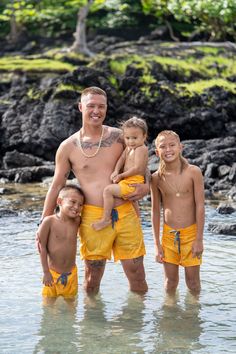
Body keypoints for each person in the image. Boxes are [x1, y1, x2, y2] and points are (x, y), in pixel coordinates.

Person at [38, 86, 149, 294]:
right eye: (91, 106)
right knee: (91, 280)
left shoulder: (120, 137)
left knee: (138, 276)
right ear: (81, 107)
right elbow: (56, 184)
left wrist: (146, 186)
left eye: (101, 106)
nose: (96, 111)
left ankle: (137, 325)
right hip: (93, 218)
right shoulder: (68, 146)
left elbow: (142, 163)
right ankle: (92, 326)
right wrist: (44, 220)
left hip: (126, 213)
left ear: (106, 108)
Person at [150, 130, 205, 295]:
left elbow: (200, 206)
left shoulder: (193, 172)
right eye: (163, 147)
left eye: (172, 145)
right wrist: (157, 244)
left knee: (193, 283)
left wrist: (199, 240)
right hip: (168, 236)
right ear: (156, 152)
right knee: (170, 283)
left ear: (180, 147)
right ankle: (169, 316)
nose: (168, 150)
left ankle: (193, 316)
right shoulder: (156, 178)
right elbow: (155, 211)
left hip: (191, 235)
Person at [92, 116, 148, 231]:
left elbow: (138, 168)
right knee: (132, 201)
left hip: (134, 182)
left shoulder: (141, 149)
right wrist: (116, 171)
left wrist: (121, 176)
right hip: (128, 181)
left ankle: (106, 219)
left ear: (144, 137)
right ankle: (137, 220)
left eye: (135, 138)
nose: (131, 141)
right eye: (127, 138)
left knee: (108, 191)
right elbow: (121, 159)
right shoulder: (128, 148)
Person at [38, 184, 84, 299]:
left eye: (80, 204)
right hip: (52, 274)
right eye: (73, 202)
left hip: (71, 274)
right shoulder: (49, 222)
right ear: (59, 201)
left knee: (71, 307)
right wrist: (46, 272)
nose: (76, 207)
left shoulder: (77, 220)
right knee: (48, 308)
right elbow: (42, 247)